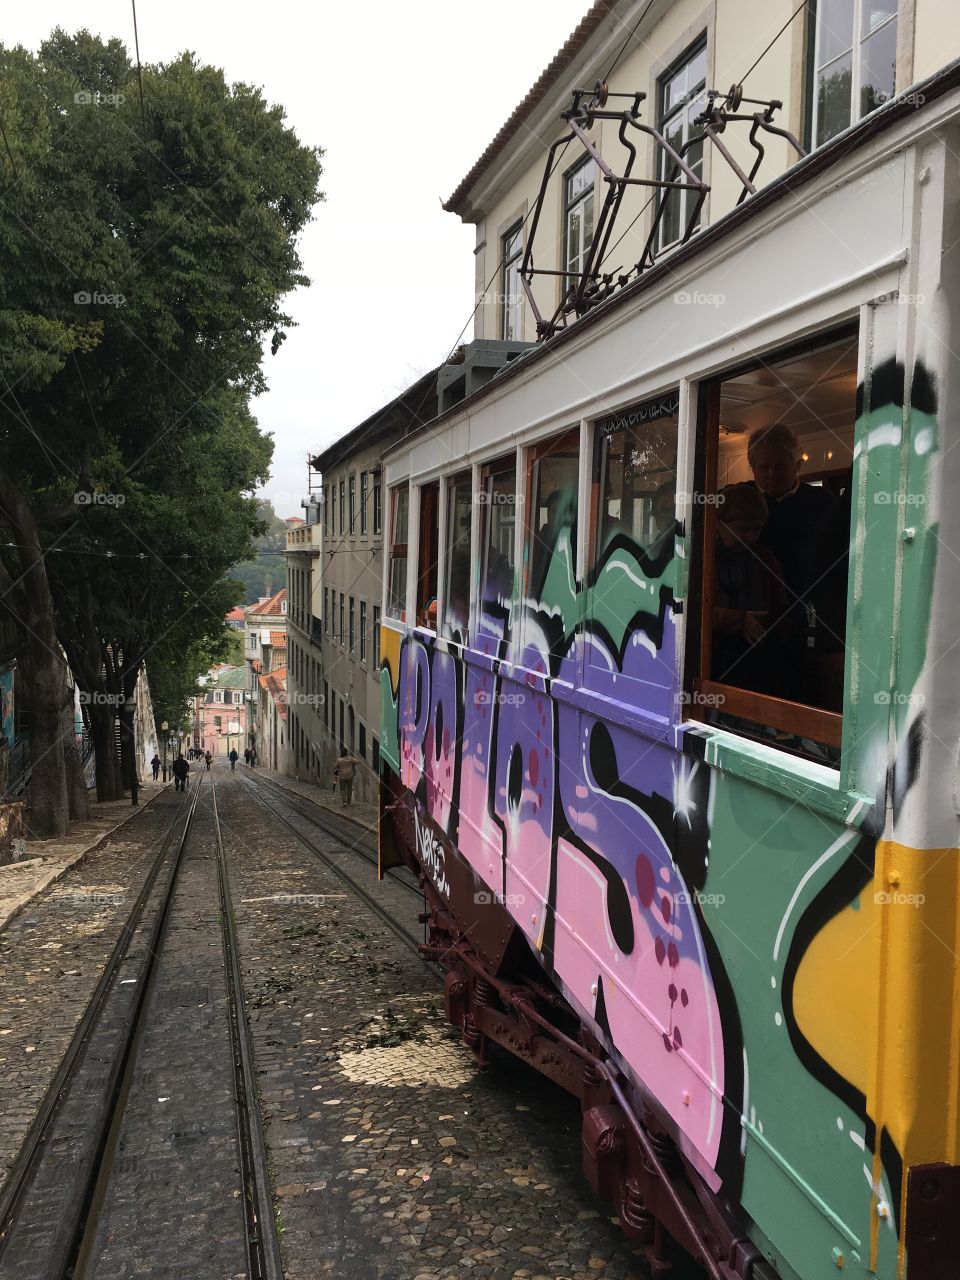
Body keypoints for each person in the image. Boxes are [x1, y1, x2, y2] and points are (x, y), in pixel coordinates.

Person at [712, 484, 788, 696]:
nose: (751, 537)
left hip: (759, 663)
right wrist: (738, 620)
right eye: (743, 529)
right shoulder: (702, 560)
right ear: (719, 523)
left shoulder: (767, 559)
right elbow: (685, 614)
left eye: (757, 529)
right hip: (712, 663)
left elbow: (781, 608)